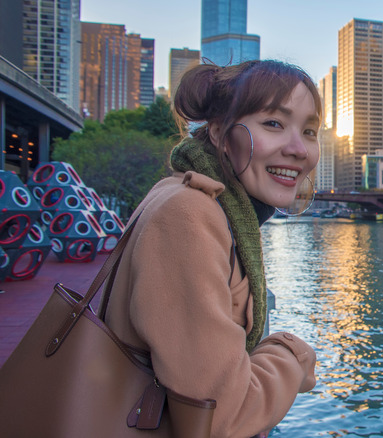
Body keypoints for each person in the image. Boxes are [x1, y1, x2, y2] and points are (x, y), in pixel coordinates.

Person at [102, 59, 320, 437]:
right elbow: (220, 416)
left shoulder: (193, 200)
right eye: (274, 123)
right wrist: (292, 354)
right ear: (219, 132)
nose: (300, 149)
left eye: (310, 130)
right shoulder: (189, 215)